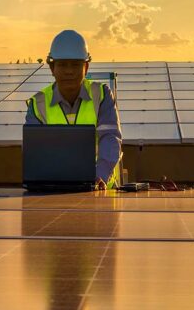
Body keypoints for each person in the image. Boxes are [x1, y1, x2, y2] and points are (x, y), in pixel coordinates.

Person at [25, 29, 122, 190]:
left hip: (102, 193)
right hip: (52, 194)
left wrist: (99, 177)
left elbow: (110, 138)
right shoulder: (37, 104)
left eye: (75, 65)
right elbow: (34, 154)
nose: (69, 71)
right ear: (52, 68)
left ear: (86, 67)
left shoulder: (102, 95)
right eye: (62, 65)